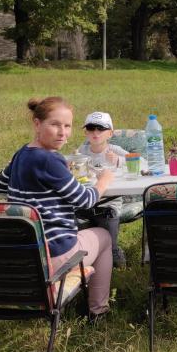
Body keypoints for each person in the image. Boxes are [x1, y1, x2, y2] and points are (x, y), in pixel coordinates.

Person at [0, 97, 115, 319]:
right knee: (104, 236)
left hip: (27, 252)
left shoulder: (22, 153)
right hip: (56, 254)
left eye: (67, 126)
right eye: (55, 124)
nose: (63, 133)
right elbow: (86, 201)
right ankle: (98, 311)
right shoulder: (50, 160)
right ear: (37, 124)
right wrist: (104, 181)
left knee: (89, 233)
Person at [76, 111, 128, 269]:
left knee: (109, 232)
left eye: (101, 129)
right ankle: (81, 257)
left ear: (110, 133)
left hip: (109, 203)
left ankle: (115, 253)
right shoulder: (82, 151)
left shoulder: (114, 150)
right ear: (85, 132)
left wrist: (120, 160)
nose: (95, 133)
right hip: (86, 202)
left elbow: (141, 162)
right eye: (91, 128)